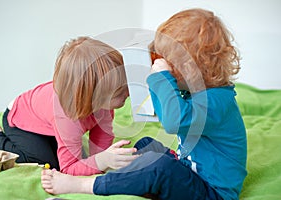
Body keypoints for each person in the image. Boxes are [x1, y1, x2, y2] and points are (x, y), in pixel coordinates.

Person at [41, 8, 247, 200]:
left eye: (168, 62)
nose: (162, 65)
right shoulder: (197, 93)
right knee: (146, 146)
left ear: (189, 69)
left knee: (160, 167)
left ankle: (83, 185)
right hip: (190, 169)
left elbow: (173, 121)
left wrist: (161, 79)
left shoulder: (216, 102)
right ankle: (129, 180)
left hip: (212, 192)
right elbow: (161, 111)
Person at [0, 37, 140, 176]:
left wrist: (102, 158)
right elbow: (68, 168)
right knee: (45, 163)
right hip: (20, 121)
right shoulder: (67, 117)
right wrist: (100, 161)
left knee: (74, 157)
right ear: (92, 96)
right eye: (119, 92)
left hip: (49, 122)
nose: (128, 93)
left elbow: (101, 135)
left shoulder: (102, 103)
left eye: (126, 84)